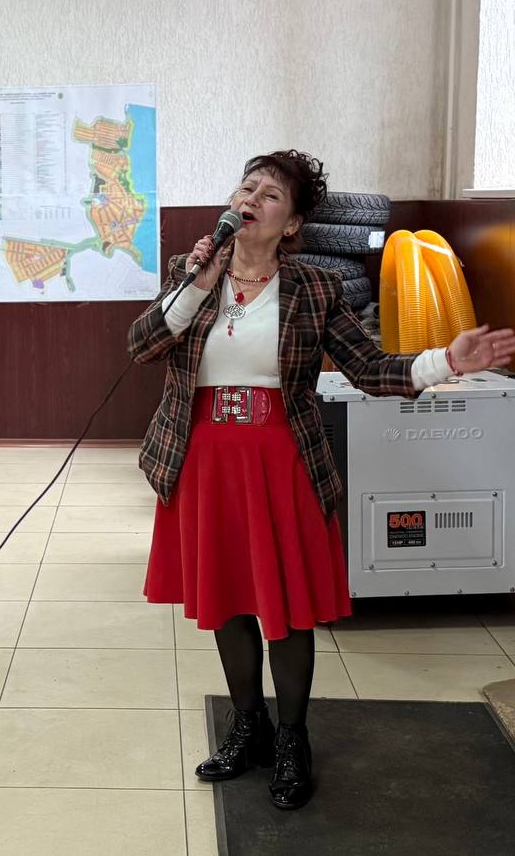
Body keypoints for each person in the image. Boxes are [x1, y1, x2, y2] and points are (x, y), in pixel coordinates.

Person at [128, 150, 515, 810]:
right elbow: (141, 346)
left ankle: (291, 738)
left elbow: (368, 367)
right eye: (245, 186)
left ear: (291, 223)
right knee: (226, 599)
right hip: (205, 460)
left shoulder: (313, 286)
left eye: (269, 194)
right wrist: (197, 282)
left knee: (285, 607)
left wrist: (445, 361)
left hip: (281, 461)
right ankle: (247, 727)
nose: (250, 198)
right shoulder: (190, 272)